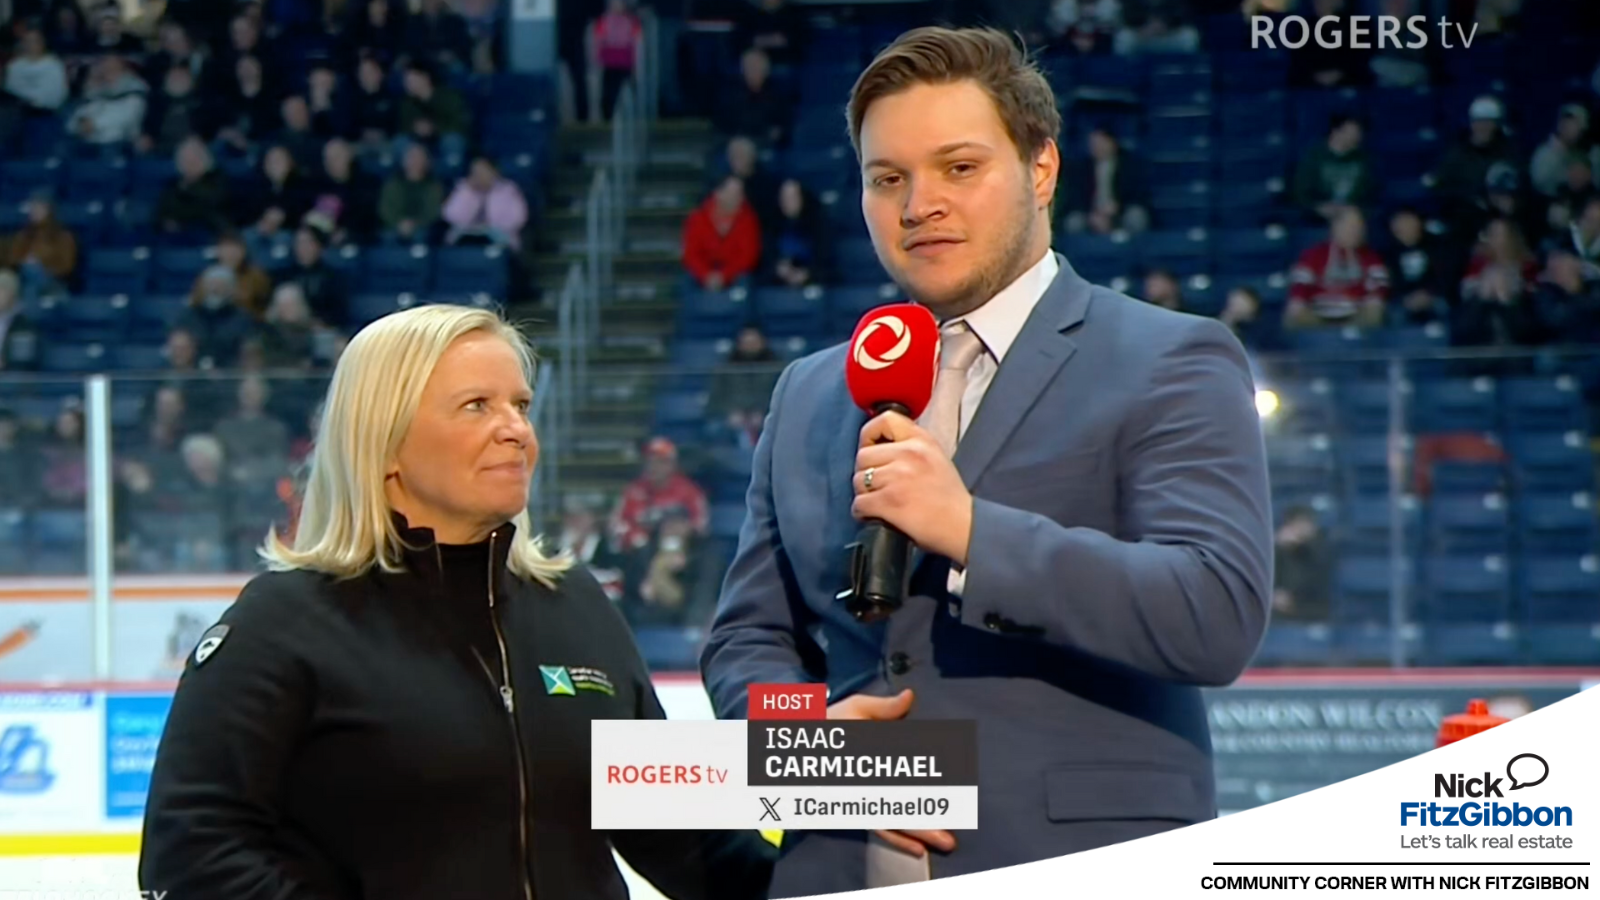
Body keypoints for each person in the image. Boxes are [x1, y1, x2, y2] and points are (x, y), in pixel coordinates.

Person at [700, 26, 1272, 896]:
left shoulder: (1172, 357)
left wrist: (969, 531)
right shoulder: (810, 390)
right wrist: (807, 745)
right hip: (839, 868)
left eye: (958, 168)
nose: (918, 204)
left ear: (1042, 168)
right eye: (887, 178)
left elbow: (1214, 611)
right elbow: (749, 639)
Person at [138, 304, 778, 899]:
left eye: (520, 405)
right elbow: (190, 854)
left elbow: (680, 828)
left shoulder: (573, 601)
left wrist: (819, 878)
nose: (516, 430)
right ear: (383, 441)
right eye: (476, 406)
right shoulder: (283, 621)